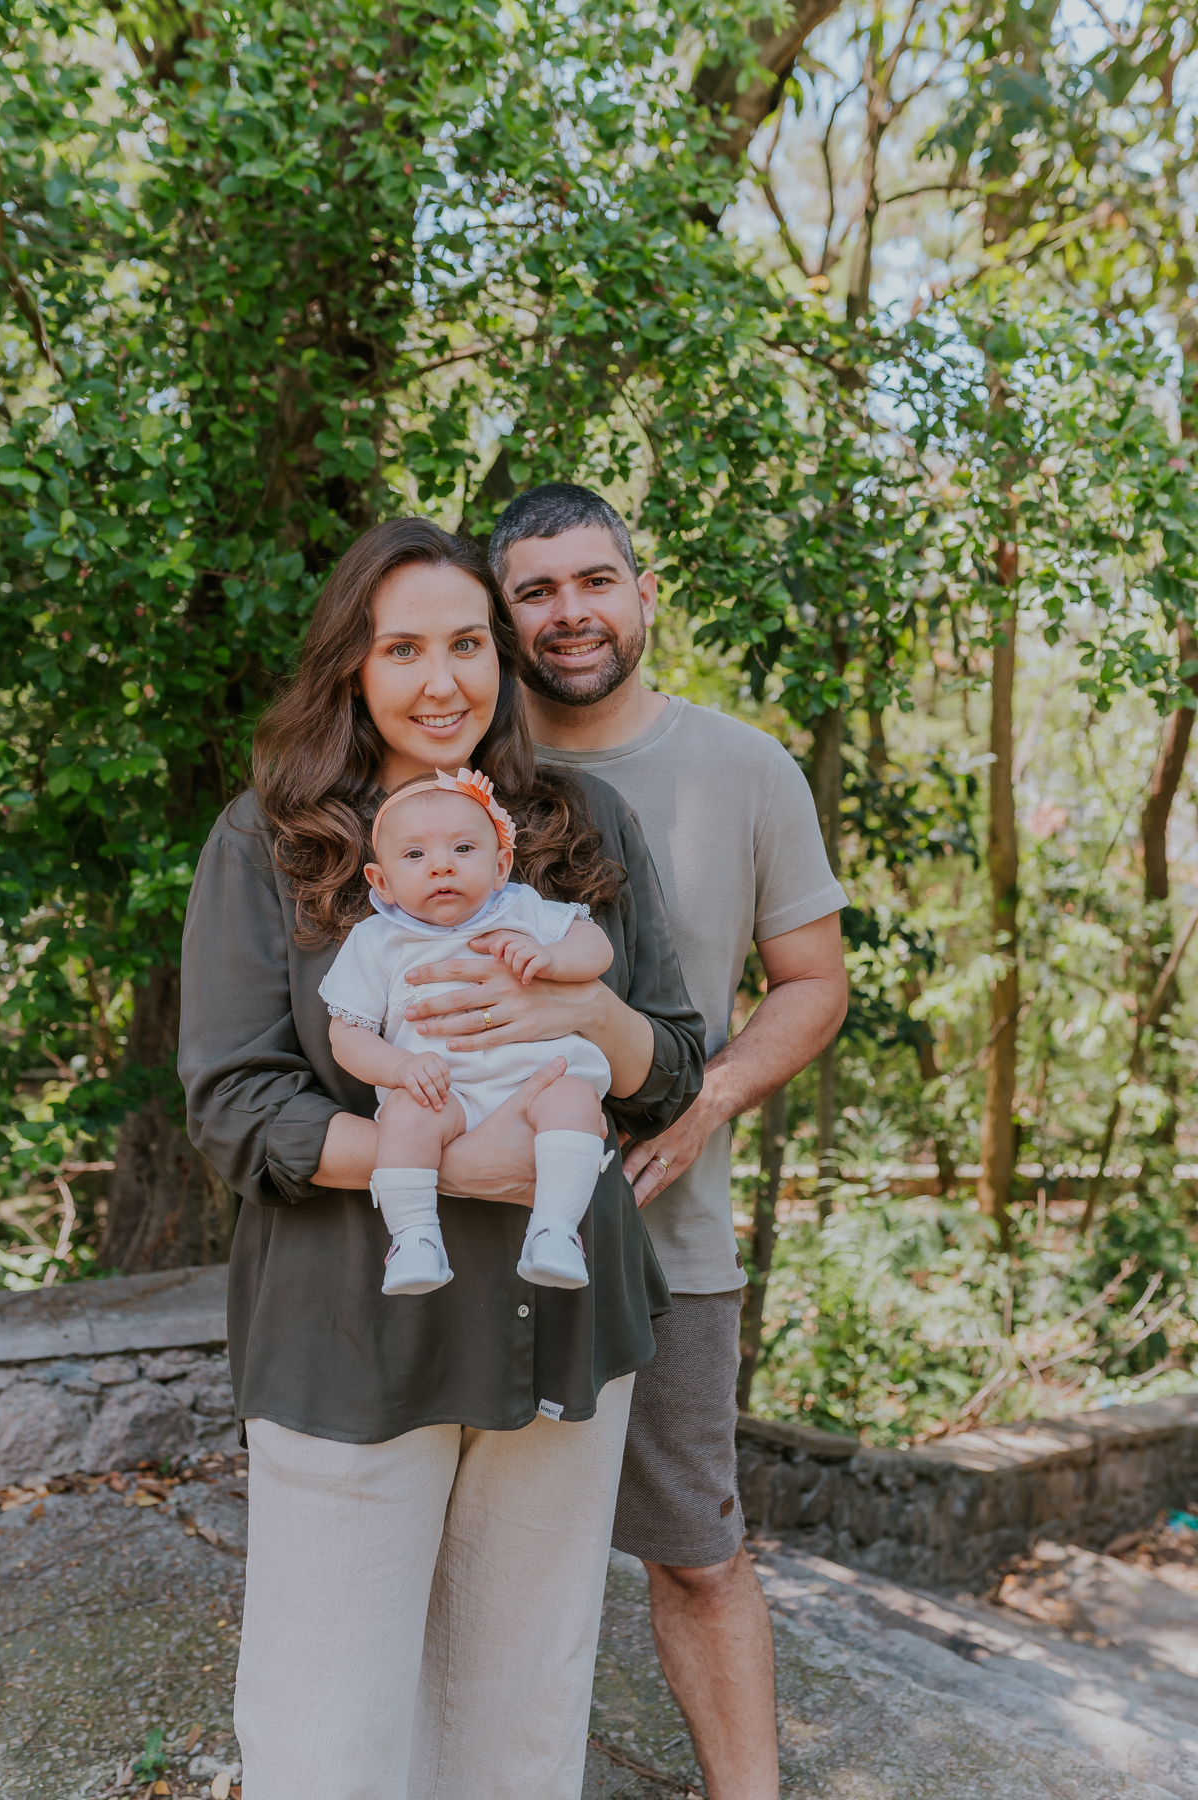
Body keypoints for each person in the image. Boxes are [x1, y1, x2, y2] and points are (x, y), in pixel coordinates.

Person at [178, 517, 705, 1800]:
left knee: (519, 1721)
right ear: (350, 665)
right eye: (402, 648)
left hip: (558, 1324)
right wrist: (453, 1166)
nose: (441, 681)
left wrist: (586, 1012)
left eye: (467, 643)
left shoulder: (581, 823)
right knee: (329, 1733)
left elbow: (675, 1067)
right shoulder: (270, 840)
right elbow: (236, 1104)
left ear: (502, 656)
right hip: (354, 1333)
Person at [478, 481, 848, 1800]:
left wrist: (711, 1099)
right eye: (535, 591)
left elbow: (815, 982)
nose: (569, 612)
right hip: (466, 1236)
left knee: (696, 1552)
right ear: (501, 618)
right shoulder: (455, 767)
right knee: (474, 1560)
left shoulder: (747, 769)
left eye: (594, 581)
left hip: (666, 1247)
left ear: (643, 593)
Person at [321, 764, 618, 1293]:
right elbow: (346, 1034)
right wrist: (401, 1067)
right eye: (415, 855)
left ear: (501, 865)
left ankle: (555, 1231)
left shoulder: (522, 910)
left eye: (463, 848)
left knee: (574, 1098)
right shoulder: (375, 941)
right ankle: (414, 1239)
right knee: (406, 1116)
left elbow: (596, 946)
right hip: (444, 1094)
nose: (441, 866)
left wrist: (551, 957)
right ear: (381, 881)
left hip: (538, 1082)